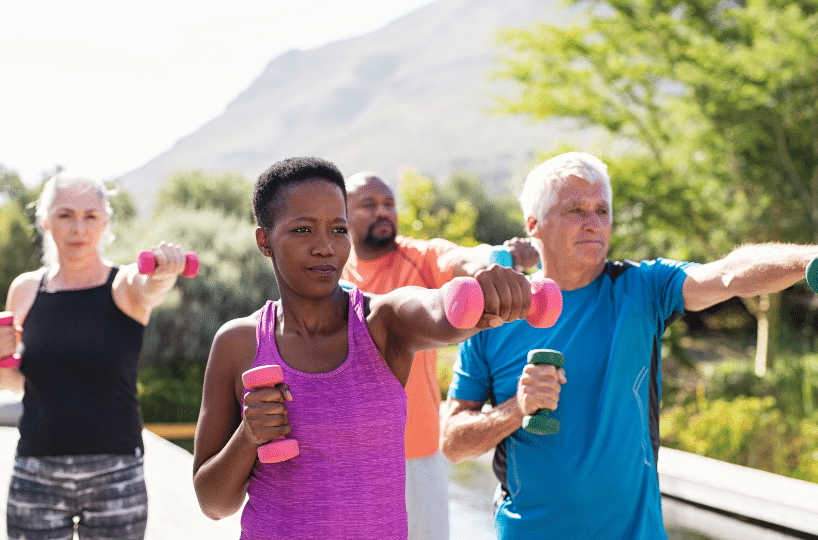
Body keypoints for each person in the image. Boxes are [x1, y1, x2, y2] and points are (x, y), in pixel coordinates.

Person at [439, 151, 818, 539]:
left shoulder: (642, 288)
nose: (593, 224)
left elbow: (728, 275)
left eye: (602, 211)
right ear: (534, 225)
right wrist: (515, 409)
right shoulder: (496, 316)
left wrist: (809, 259)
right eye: (576, 211)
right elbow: (452, 443)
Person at [191, 157, 538, 540]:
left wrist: (484, 299)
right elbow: (213, 504)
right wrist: (249, 436)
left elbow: (438, 312)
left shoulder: (382, 322)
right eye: (303, 229)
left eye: (338, 229)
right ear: (264, 241)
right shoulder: (237, 344)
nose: (325, 247)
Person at [341, 170, 538, 540]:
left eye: (389, 203)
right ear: (343, 215)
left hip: (416, 453)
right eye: (369, 204)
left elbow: (468, 259)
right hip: (345, 456)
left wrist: (502, 257)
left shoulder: (421, 256)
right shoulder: (333, 271)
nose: (383, 211)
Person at [0, 172, 190, 540]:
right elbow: (16, 382)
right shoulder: (25, 289)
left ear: (105, 222)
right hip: (36, 470)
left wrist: (165, 273)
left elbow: (150, 286)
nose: (78, 228)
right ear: (44, 221)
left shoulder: (123, 285)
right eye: (65, 215)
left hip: (116, 474)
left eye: (90, 216)